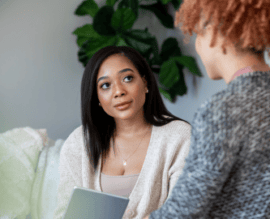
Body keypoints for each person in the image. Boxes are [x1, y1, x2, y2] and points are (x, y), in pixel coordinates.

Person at [143, 0, 270, 218]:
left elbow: (184, 211)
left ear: (212, 31)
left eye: (197, 35)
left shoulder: (223, 110)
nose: (196, 46)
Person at [53, 46, 192, 219]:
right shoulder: (79, 142)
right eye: (105, 85)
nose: (119, 91)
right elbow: (64, 213)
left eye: (127, 78)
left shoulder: (178, 136)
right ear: (96, 98)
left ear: (145, 82)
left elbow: (186, 210)